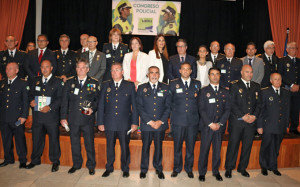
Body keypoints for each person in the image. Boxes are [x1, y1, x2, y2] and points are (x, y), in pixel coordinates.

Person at [97, 62, 138, 178]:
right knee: (109, 147)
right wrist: (100, 122)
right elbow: (101, 105)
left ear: (122, 72)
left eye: (117, 70)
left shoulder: (129, 86)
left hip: (124, 123)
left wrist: (135, 123)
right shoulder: (106, 85)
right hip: (109, 122)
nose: (114, 72)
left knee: (125, 147)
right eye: (112, 70)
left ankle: (125, 168)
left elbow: (134, 106)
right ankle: (109, 168)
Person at [60, 59, 100, 175]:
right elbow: (64, 101)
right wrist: (63, 117)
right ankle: (76, 164)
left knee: (89, 143)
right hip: (73, 118)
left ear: (87, 69)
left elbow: (98, 100)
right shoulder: (69, 82)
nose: (80, 70)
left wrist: (93, 108)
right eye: (78, 67)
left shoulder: (94, 82)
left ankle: (91, 165)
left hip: (87, 118)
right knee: (75, 143)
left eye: (83, 67)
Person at [224, 65, 262, 178]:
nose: (249, 74)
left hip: (251, 122)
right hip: (237, 122)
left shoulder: (256, 86)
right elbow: (231, 103)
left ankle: (242, 168)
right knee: (233, 146)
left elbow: (259, 104)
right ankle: (229, 168)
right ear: (241, 72)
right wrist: (242, 116)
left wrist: (254, 116)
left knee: (247, 146)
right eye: (247, 72)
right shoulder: (234, 85)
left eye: (251, 72)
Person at [26, 60, 63, 172]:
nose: (44, 69)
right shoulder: (35, 81)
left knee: (53, 140)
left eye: (47, 67)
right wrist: (31, 102)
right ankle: (35, 160)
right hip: (38, 117)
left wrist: (50, 107)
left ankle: (55, 161)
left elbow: (60, 98)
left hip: (51, 117)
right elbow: (30, 95)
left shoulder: (57, 81)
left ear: (51, 68)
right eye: (42, 67)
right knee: (36, 139)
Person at [137, 66, 171, 179]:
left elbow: (168, 107)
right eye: (152, 73)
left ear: (159, 74)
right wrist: (150, 121)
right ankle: (143, 169)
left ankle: (158, 168)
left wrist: (160, 121)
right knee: (145, 147)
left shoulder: (165, 87)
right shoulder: (142, 88)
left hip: (160, 125)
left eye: (156, 73)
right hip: (147, 125)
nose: (154, 75)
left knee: (158, 147)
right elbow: (139, 107)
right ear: (148, 74)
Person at [198, 67, 231, 182]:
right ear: (209, 76)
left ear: (220, 76)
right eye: (212, 74)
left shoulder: (225, 91)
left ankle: (216, 172)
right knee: (204, 150)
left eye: (217, 74)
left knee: (217, 151)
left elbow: (227, 109)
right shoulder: (203, 91)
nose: (215, 76)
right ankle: (202, 172)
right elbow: (201, 110)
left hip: (219, 127)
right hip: (207, 127)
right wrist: (210, 123)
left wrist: (220, 123)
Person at [169, 62, 201, 178]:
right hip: (178, 121)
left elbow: (199, 102)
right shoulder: (173, 84)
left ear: (191, 71)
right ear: (180, 71)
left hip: (192, 122)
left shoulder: (197, 84)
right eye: (184, 69)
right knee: (177, 147)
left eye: (188, 69)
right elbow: (169, 102)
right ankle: (176, 168)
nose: (186, 71)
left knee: (190, 147)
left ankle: (189, 169)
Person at [258, 73, 290, 176]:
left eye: (279, 79)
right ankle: (264, 166)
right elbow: (261, 111)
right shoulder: (265, 92)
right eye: (275, 79)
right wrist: (259, 126)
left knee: (276, 147)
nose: (278, 81)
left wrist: (286, 125)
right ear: (271, 80)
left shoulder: (286, 92)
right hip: (268, 125)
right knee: (266, 146)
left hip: (280, 126)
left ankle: (273, 166)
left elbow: (287, 110)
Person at [0, 62, 29, 168]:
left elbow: (26, 101)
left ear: (16, 71)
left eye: (10, 69)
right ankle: (8, 159)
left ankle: (22, 160)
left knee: (19, 139)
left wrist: (24, 116)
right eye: (7, 69)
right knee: (6, 139)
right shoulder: (2, 83)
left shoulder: (22, 83)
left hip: (17, 118)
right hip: (4, 118)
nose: (7, 71)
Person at [278, 41, 300, 135]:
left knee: (296, 109)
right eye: (292, 48)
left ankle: (294, 128)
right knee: (285, 109)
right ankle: (283, 127)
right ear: (287, 50)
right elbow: (280, 74)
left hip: (297, 89)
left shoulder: (299, 61)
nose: (294, 50)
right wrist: (291, 85)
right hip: (286, 89)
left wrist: (298, 86)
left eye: (295, 48)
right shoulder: (282, 60)